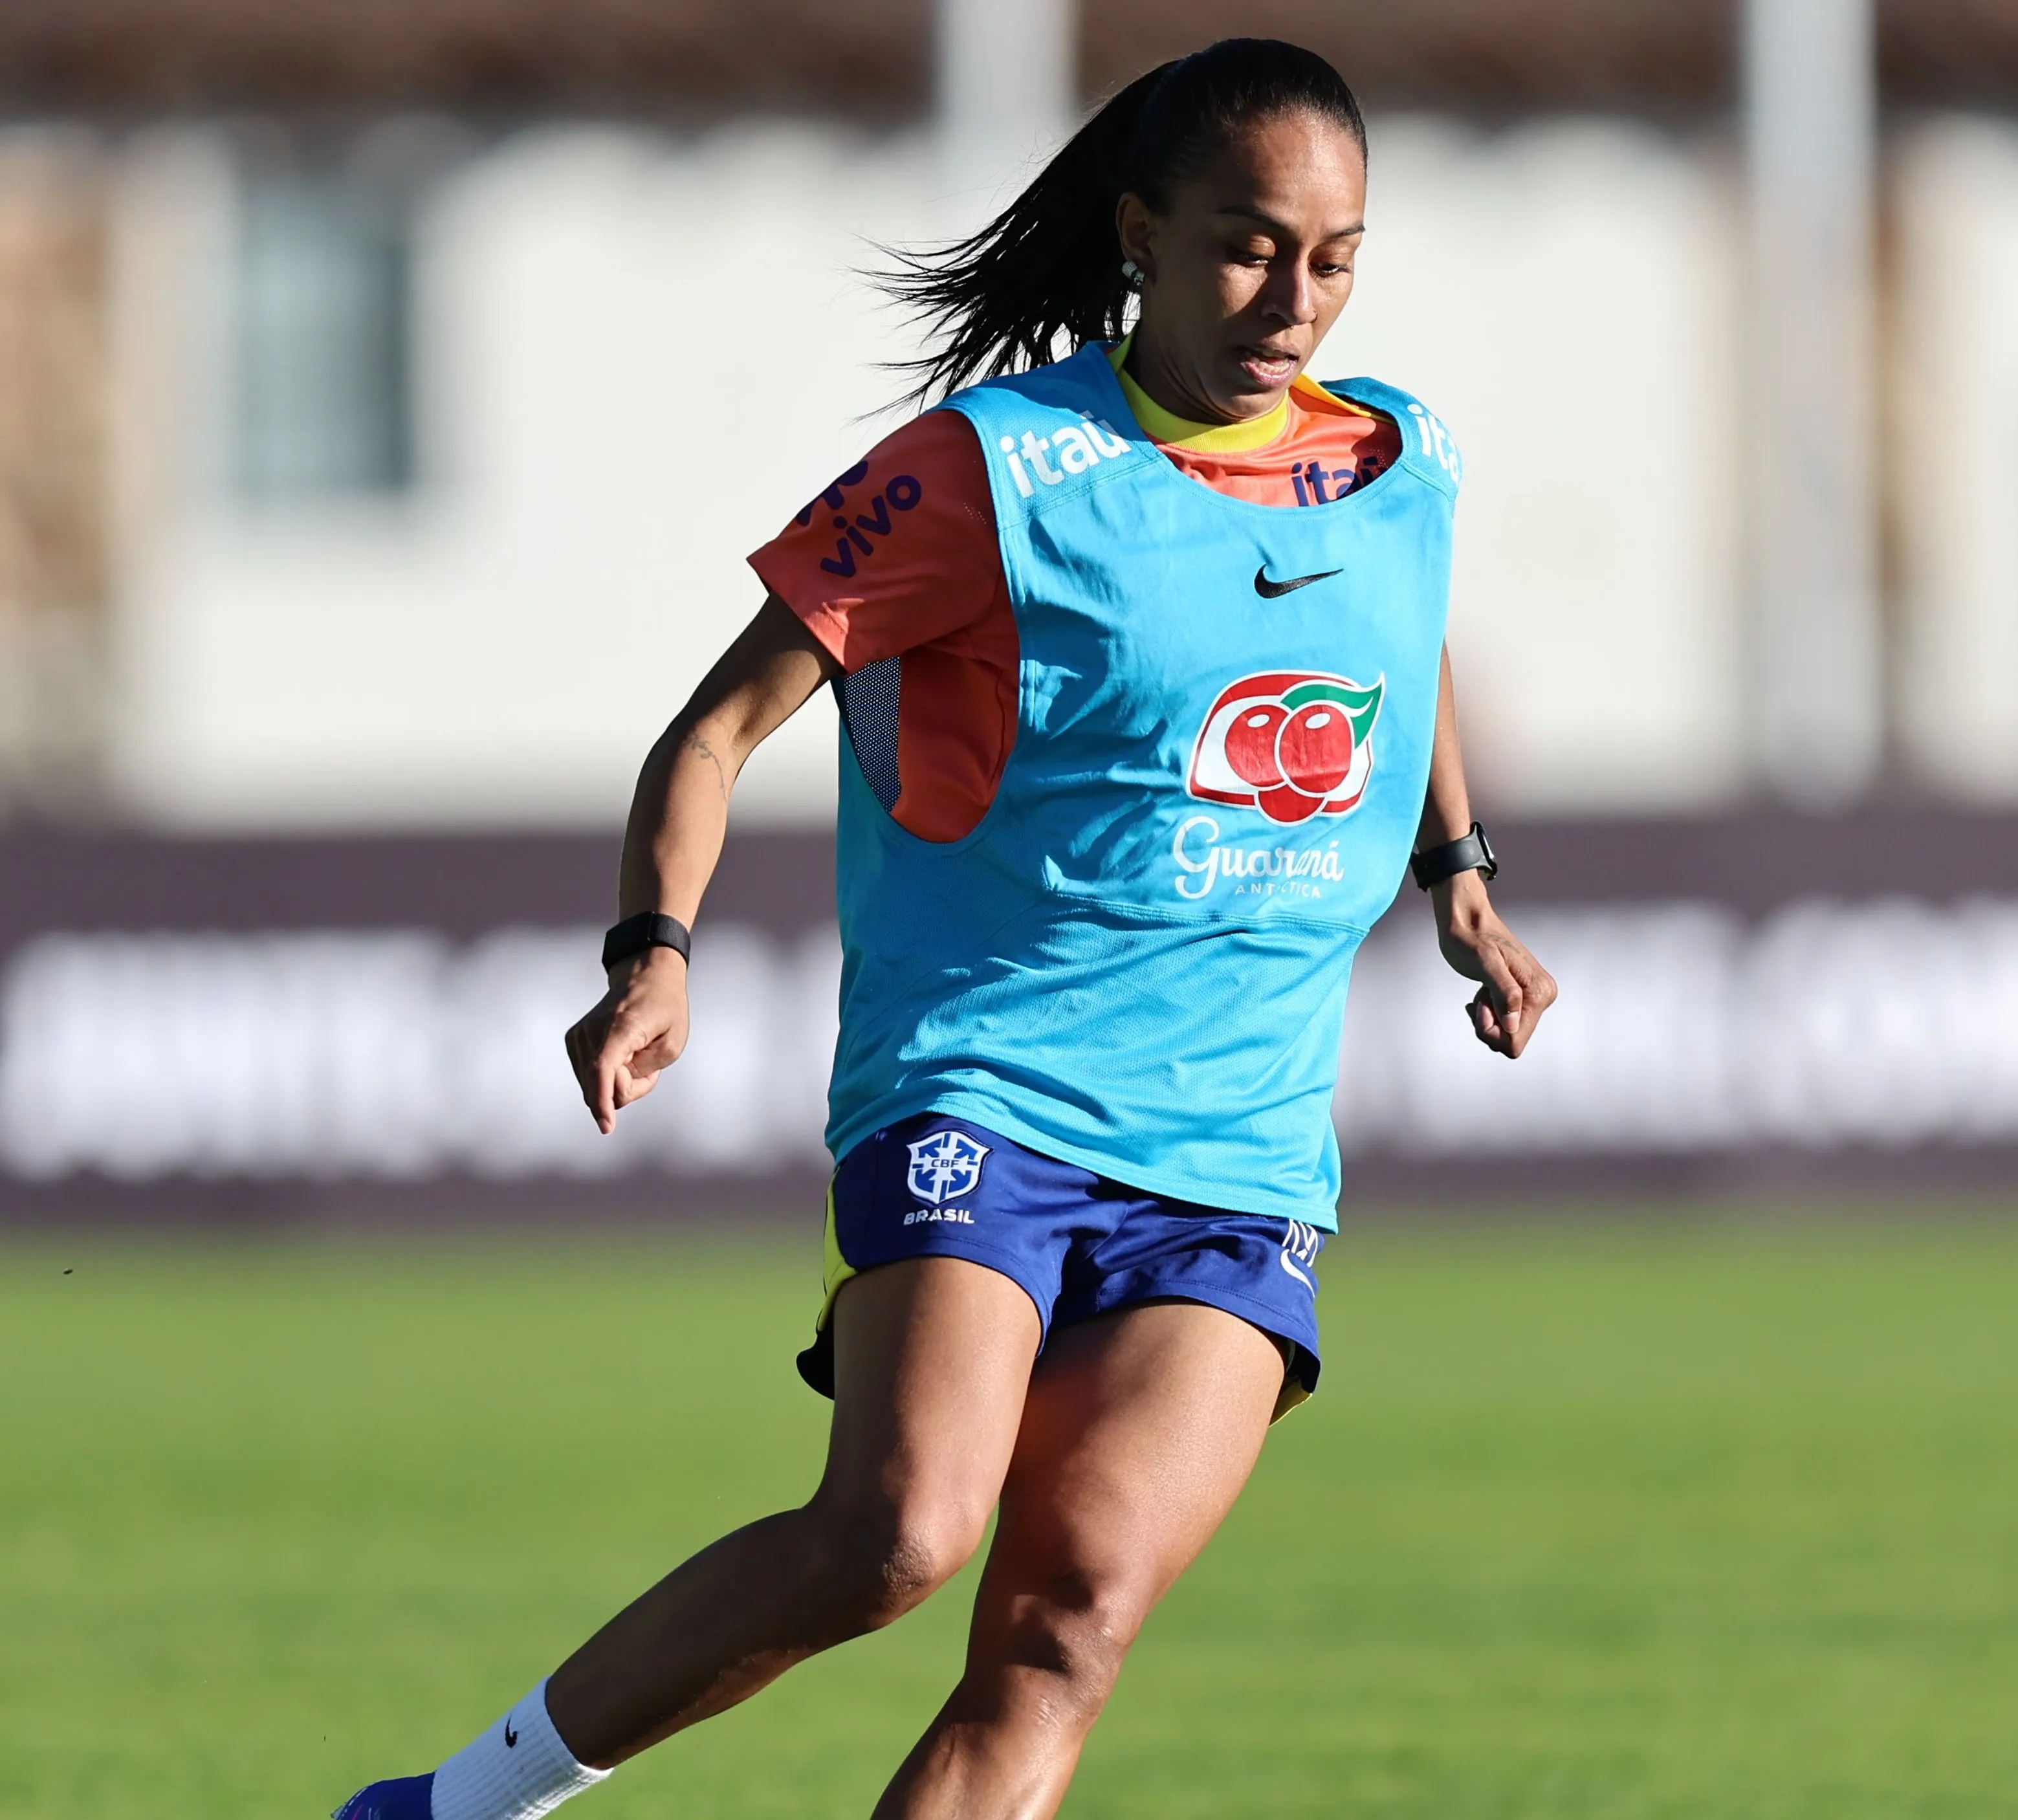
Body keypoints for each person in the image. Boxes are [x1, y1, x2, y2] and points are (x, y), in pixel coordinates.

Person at [335, 38, 1554, 1820]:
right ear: (1141, 230)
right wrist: (648, 953)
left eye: (1336, 253)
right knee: (897, 1531)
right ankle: (448, 1806)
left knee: (1067, 1630)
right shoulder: (991, 472)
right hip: (985, 1083)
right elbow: (716, 730)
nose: (1296, 295)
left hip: (1241, 1142)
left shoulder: (1395, 460)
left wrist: (1461, 863)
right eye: (1247, 244)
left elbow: (1402, 625)